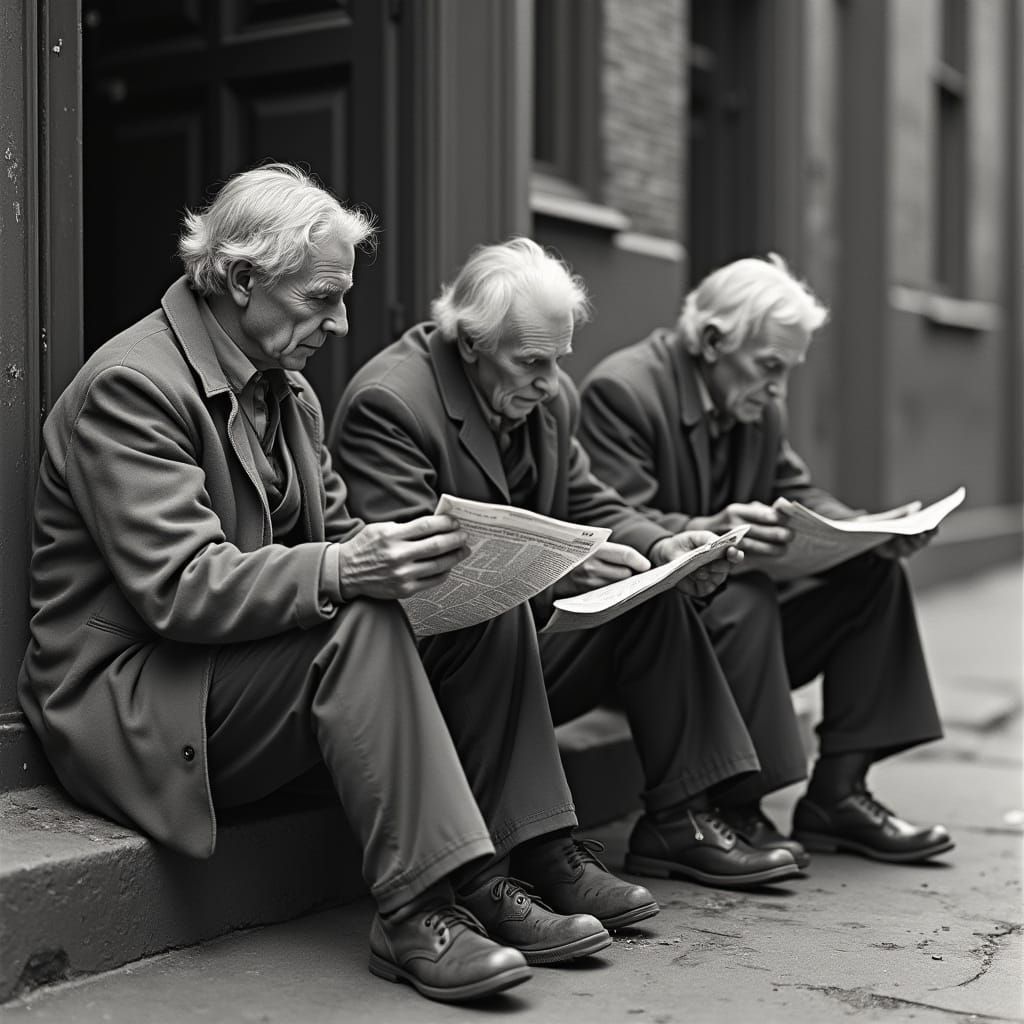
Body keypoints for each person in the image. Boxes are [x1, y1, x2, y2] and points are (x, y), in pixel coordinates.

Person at [17, 164, 626, 1006]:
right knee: (357, 618)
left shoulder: (289, 391)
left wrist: (423, 562)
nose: (340, 322)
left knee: (482, 610)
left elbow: (337, 538)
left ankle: (498, 871)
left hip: (233, 672)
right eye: (319, 299)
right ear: (239, 279)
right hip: (139, 698)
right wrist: (349, 566)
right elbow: (180, 588)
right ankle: (418, 911)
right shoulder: (133, 385)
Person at [329, 236, 805, 901]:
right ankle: (539, 852)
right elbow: (422, 581)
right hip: (440, 672)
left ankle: (682, 819)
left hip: (526, 652)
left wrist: (661, 545)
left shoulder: (547, 394)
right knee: (513, 616)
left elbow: (589, 499)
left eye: (559, 360)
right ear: (469, 345)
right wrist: (559, 576)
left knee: (653, 591)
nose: (551, 383)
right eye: (531, 363)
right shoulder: (391, 404)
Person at [577, 253, 954, 866]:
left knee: (875, 572)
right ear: (711, 340)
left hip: (737, 628)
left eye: (788, 370)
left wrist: (865, 529)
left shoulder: (757, 403)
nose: (779, 388)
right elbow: (610, 519)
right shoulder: (623, 391)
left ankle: (839, 793)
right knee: (744, 593)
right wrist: (705, 529)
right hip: (652, 643)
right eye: (770, 366)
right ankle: (729, 802)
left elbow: (795, 490)